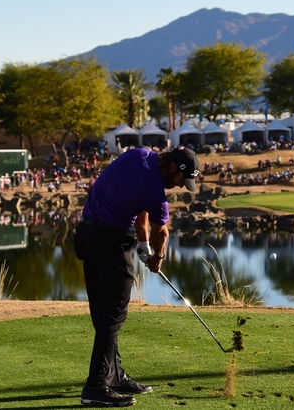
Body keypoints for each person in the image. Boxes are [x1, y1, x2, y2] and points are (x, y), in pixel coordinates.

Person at [74, 146, 200, 407]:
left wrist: (142, 243)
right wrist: (157, 257)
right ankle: (96, 386)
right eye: (180, 181)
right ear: (173, 168)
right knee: (114, 312)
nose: (179, 187)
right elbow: (161, 232)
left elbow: (138, 209)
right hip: (110, 241)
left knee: (103, 310)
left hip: (85, 235)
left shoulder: (138, 154)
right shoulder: (156, 194)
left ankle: (114, 375)